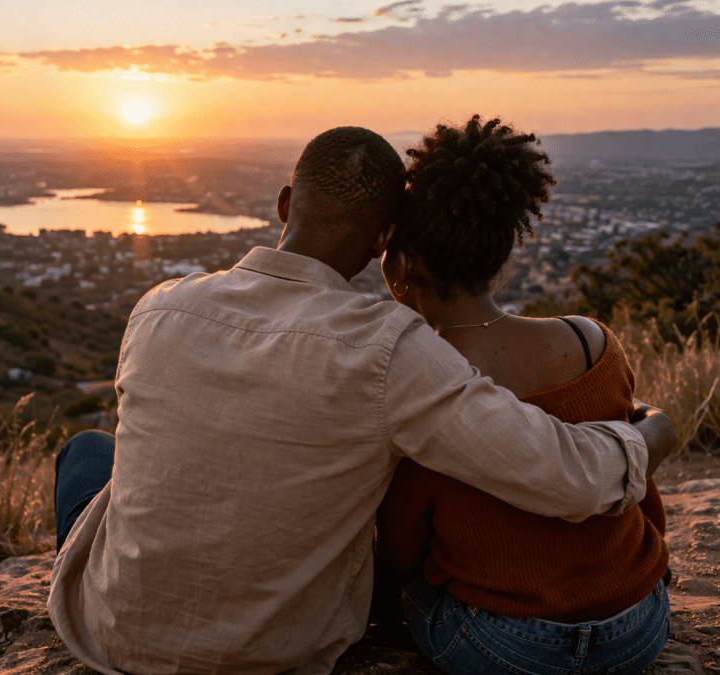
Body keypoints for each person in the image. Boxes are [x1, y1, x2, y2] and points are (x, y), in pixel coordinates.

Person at [47, 126, 677, 675]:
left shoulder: (157, 307)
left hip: (118, 640)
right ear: (382, 242)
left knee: (87, 454)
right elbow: (569, 476)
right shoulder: (389, 349)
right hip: (278, 651)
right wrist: (653, 433)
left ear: (285, 203)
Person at [374, 115, 671, 674]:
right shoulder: (593, 344)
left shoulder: (422, 386)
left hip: (507, 646)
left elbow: (402, 552)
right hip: (638, 624)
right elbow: (639, 478)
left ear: (402, 267)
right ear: (501, 251)